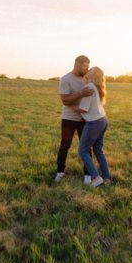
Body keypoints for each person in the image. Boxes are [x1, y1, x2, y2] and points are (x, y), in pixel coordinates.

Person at [55, 55, 93, 183]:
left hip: (85, 119)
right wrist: (81, 94)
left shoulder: (87, 79)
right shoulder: (66, 79)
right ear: (77, 64)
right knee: (65, 145)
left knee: (87, 147)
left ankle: (88, 174)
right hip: (69, 118)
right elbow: (65, 100)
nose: (87, 70)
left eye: (88, 67)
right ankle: (60, 171)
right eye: (85, 67)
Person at [70, 67, 110, 187]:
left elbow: (83, 108)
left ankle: (96, 177)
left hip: (94, 123)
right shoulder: (97, 87)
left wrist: (69, 105)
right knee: (98, 151)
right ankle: (106, 178)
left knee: (82, 151)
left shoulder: (89, 87)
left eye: (90, 70)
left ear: (93, 75)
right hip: (102, 120)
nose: (87, 71)